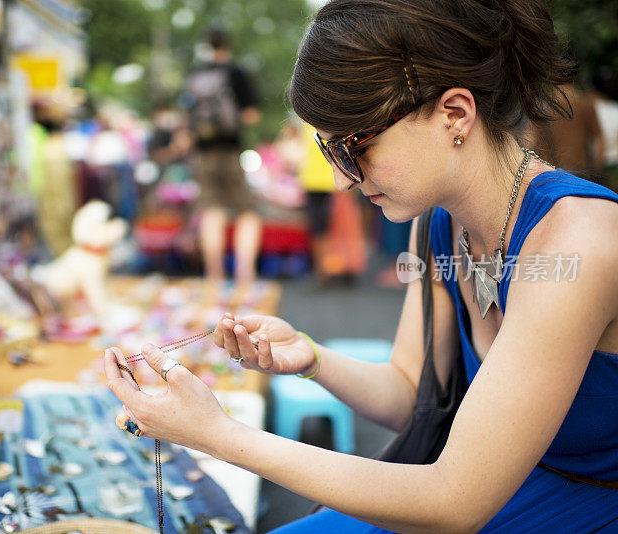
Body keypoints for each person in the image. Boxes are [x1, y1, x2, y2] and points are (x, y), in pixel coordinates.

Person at [105, 0, 618, 531]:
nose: (343, 180)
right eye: (329, 151)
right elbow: (412, 396)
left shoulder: (577, 241)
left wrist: (216, 434)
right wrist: (310, 359)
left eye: (354, 146)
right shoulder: (440, 226)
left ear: (455, 115)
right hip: (504, 487)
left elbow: (455, 501)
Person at [184, 28, 262, 286]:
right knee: (247, 213)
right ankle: (245, 275)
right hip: (229, 152)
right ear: (228, 45)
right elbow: (251, 115)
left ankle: (214, 276)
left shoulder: (195, 74)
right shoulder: (235, 73)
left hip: (203, 154)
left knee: (211, 212)